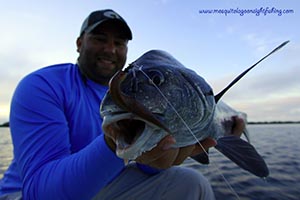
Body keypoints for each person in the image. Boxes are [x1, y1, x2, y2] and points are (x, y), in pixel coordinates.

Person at [0, 9, 245, 200]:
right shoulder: (42, 86)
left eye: (119, 43)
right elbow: (39, 195)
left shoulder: (143, 97)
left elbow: (146, 169)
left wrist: (157, 157)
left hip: (100, 188)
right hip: (22, 195)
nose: (110, 49)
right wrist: (112, 143)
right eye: (99, 38)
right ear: (79, 43)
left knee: (192, 183)